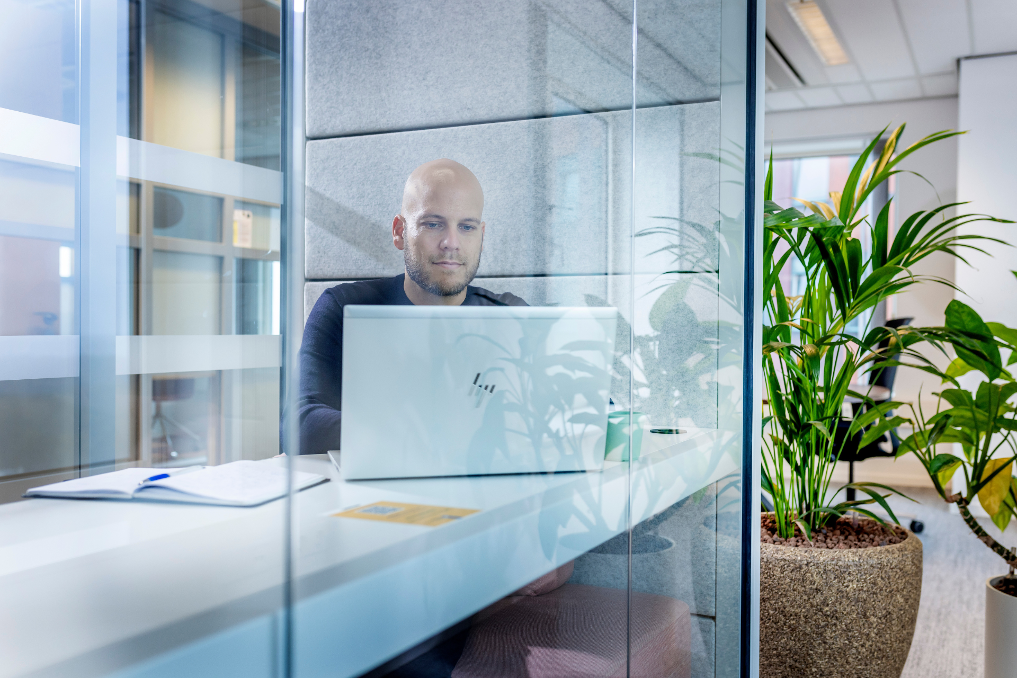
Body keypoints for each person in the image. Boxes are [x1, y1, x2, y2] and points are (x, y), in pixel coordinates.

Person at [294, 158, 526, 456]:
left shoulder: (509, 316)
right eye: (433, 224)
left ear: (482, 237)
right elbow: (300, 424)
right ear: (399, 231)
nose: (451, 242)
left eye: (466, 227)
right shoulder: (345, 308)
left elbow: (570, 412)